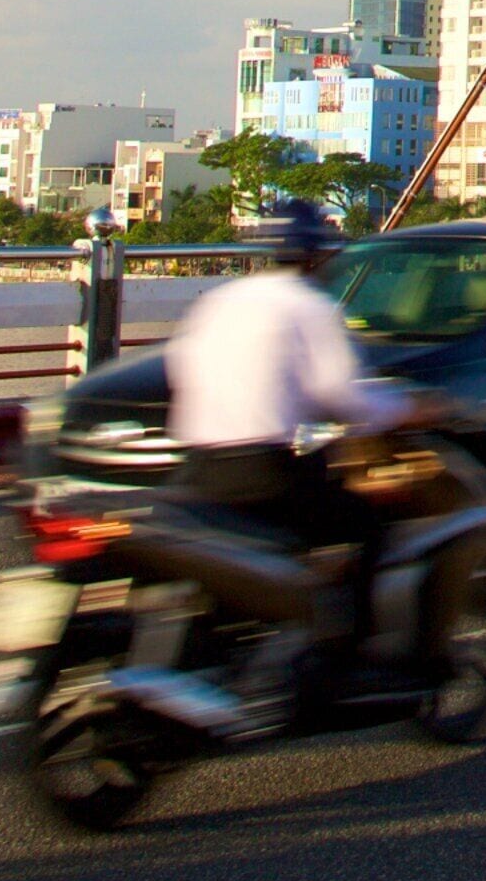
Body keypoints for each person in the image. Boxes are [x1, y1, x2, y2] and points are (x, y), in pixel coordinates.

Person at [164, 200, 437, 684]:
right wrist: (407, 410)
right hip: (262, 469)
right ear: (316, 255)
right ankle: (353, 656)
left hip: (197, 466)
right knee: (368, 526)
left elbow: (180, 369)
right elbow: (340, 395)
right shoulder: (310, 306)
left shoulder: (220, 300)